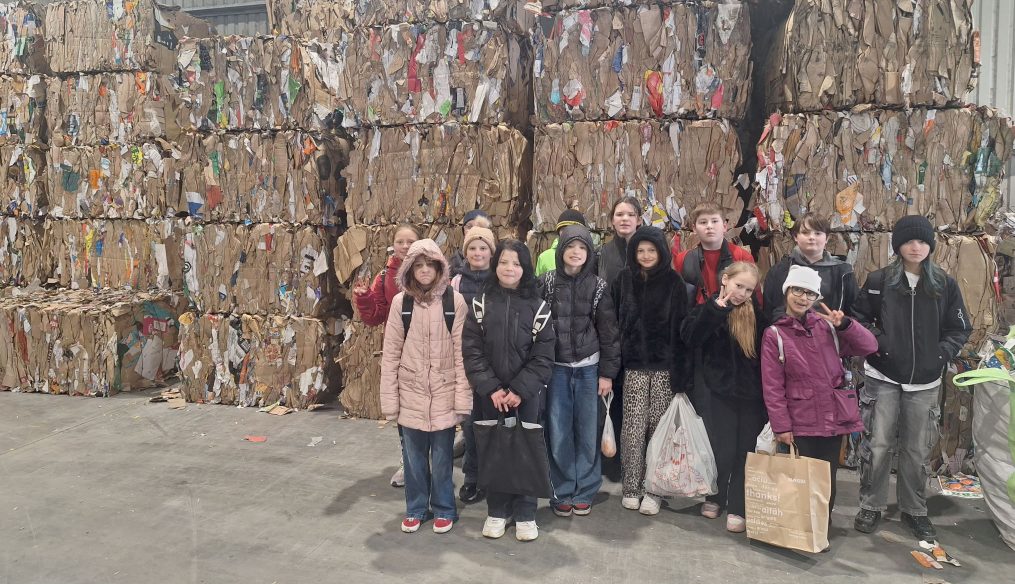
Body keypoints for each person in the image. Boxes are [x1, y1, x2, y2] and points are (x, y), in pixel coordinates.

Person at [852, 215, 971, 541]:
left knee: (917, 449)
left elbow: (959, 328)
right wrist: (880, 345)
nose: (915, 247)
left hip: (926, 382)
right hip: (884, 376)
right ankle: (871, 505)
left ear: (930, 245)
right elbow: (858, 319)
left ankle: (914, 509)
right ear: (898, 245)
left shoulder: (944, 284)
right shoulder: (879, 280)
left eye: (921, 241)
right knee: (878, 444)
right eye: (908, 241)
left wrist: (940, 355)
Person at [760, 265, 878, 535]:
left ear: (816, 298)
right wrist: (781, 426)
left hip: (832, 419)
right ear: (787, 291)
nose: (803, 298)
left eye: (810, 293)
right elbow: (772, 386)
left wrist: (846, 325)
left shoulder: (828, 328)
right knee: (799, 478)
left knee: (826, 479)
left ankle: (820, 528)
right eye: (797, 290)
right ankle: (798, 530)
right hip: (799, 421)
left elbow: (869, 346)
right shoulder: (775, 334)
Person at [462, 239, 555, 542]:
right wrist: (490, 388)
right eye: (503, 262)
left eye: (516, 263)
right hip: (490, 396)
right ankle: (497, 510)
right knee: (493, 450)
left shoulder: (539, 308)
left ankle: (526, 511)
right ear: (495, 265)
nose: (509, 268)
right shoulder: (480, 304)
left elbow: (543, 356)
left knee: (526, 450)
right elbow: (472, 351)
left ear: (525, 268)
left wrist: (519, 389)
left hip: (525, 396)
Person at [379, 239, 471, 534]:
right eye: (418, 265)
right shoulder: (401, 303)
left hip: (444, 392)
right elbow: (391, 354)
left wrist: (462, 399)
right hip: (410, 393)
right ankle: (416, 508)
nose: (424, 270)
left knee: (442, 457)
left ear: (439, 267)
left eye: (429, 265)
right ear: (409, 269)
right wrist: (390, 400)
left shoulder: (454, 302)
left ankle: (444, 507)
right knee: (413, 457)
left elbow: (461, 354)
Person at [539, 224, 621, 517]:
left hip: (589, 369)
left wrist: (607, 373)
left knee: (587, 432)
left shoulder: (598, 286)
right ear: (561, 249)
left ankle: (585, 489)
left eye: (582, 247)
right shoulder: (547, 282)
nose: (576, 252)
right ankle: (562, 490)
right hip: (556, 369)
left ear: (589, 253)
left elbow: (609, 332)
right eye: (571, 246)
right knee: (559, 431)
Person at [680, 262, 767, 533]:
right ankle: (715, 496)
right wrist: (715, 311)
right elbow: (690, 337)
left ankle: (738, 505)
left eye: (748, 290)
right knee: (722, 448)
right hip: (719, 394)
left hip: (752, 396)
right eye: (739, 286)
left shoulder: (759, 317)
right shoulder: (707, 309)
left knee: (745, 450)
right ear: (725, 280)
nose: (742, 293)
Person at [612, 226, 690, 515]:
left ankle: (654, 489)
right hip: (633, 367)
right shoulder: (623, 279)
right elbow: (614, 322)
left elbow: (680, 331)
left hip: (663, 369)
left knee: (659, 430)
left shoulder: (674, 282)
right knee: (631, 430)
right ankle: (631, 487)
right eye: (640, 250)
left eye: (651, 250)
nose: (645, 255)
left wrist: (680, 375)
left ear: (661, 252)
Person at [350, 223, 421, 488]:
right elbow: (374, 317)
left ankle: (431, 462)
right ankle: (409, 462)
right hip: (399, 354)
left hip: (429, 353)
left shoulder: (431, 271)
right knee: (404, 412)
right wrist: (364, 299)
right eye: (400, 241)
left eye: (410, 241)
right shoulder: (385, 276)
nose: (405, 246)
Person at [596, 196, 644, 479]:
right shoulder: (603, 253)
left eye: (630, 214)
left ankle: (635, 462)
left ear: (639, 219)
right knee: (611, 399)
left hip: (640, 339)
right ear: (612, 220)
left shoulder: (648, 249)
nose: (624, 219)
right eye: (619, 214)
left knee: (636, 404)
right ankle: (611, 461)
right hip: (609, 335)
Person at [450, 226, 496, 505]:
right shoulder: (456, 282)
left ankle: (495, 477)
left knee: (494, 423)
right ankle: (472, 476)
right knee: (470, 425)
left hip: (495, 365)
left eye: (483, 248)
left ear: (491, 251)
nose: (478, 253)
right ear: (465, 252)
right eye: (472, 248)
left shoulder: (500, 278)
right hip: (466, 363)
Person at [761, 213, 860, 323]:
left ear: (827, 238)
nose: (812, 237)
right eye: (805, 232)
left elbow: (854, 316)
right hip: (787, 331)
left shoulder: (844, 272)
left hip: (830, 331)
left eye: (818, 233)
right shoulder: (779, 271)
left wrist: (840, 324)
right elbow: (769, 312)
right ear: (795, 237)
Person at [672, 202, 755, 305]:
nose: (709, 226)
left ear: (724, 226)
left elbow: (755, 298)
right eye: (703, 222)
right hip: (696, 313)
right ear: (694, 228)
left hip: (732, 313)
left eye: (715, 221)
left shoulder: (742, 257)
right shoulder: (683, 259)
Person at [535, 209, 588, 277]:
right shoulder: (545, 257)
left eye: (573, 229)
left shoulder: (589, 256)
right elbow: (538, 282)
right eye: (564, 230)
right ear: (559, 232)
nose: (568, 233)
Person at [450, 209, 493, 277]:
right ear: (463, 231)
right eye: (469, 227)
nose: (473, 229)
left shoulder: (497, 262)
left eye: (479, 226)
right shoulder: (455, 260)